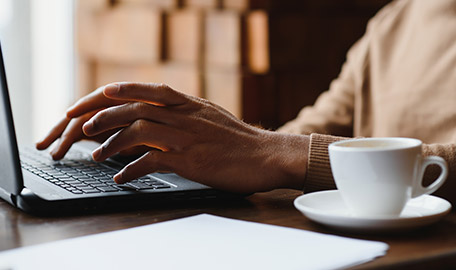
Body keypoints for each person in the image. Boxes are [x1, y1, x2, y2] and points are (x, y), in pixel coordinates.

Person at [37, 0, 456, 203]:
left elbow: (283, 152)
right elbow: (312, 128)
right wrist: (183, 144)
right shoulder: (395, 20)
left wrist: (268, 152)